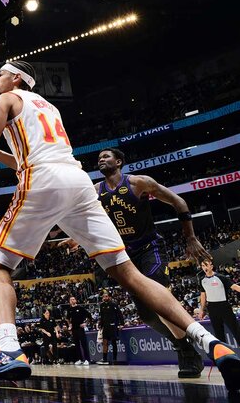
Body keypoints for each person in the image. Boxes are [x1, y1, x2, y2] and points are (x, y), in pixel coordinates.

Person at [0, 61, 240, 392]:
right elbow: (19, 156)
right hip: (77, 181)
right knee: (129, 273)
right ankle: (210, 342)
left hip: (43, 178)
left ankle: (9, 350)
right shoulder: (48, 108)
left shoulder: (6, 99)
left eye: (1, 74)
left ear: (16, 78)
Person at [68, 147, 207, 376]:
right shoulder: (96, 191)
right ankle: (183, 345)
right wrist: (76, 238)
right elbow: (88, 220)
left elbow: (179, 201)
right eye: (99, 158)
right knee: (147, 315)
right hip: (125, 255)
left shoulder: (139, 183)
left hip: (150, 248)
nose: (101, 159)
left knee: (159, 300)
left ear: (119, 162)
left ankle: (187, 352)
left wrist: (190, 238)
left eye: (106, 156)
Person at [199, 259, 240, 343]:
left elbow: (235, 287)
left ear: (211, 266)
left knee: (236, 331)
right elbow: (203, 295)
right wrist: (202, 310)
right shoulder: (202, 280)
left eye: (206, 265)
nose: (204, 267)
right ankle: (224, 351)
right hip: (212, 308)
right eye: (203, 266)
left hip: (224, 306)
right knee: (218, 334)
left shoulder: (221, 277)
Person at [65, 296, 91, 365]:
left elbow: (89, 315)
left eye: (73, 299)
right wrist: (69, 324)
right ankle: (80, 359)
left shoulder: (80, 308)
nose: (72, 300)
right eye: (71, 299)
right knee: (77, 345)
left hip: (80, 328)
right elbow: (67, 319)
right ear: (69, 301)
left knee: (83, 344)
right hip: (74, 329)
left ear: (75, 300)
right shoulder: (69, 309)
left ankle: (87, 359)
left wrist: (86, 323)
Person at [97, 293, 122, 365]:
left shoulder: (113, 305)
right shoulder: (101, 305)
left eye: (106, 296)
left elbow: (119, 314)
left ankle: (115, 359)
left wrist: (122, 323)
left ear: (109, 297)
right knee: (105, 342)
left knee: (114, 342)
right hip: (105, 326)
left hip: (112, 325)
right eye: (103, 297)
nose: (105, 298)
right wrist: (100, 324)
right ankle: (104, 359)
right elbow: (101, 316)